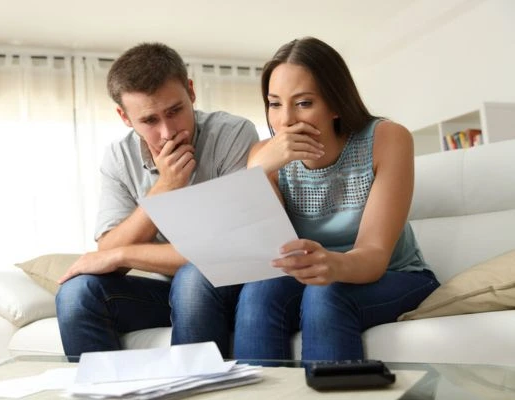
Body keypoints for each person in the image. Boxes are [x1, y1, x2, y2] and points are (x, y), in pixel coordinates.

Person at [170, 37, 440, 361]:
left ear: (336, 103)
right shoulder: (263, 157)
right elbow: (263, 252)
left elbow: (375, 256)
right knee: (259, 292)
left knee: (325, 294)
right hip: (308, 277)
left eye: (304, 103)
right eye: (274, 103)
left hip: (391, 275)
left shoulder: (387, 139)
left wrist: (333, 264)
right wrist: (257, 172)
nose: (285, 121)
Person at [55, 42, 259, 356]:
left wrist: (123, 255)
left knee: (193, 278)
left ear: (191, 91)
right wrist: (165, 186)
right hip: (169, 291)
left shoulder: (232, 135)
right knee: (76, 294)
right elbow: (107, 252)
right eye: (149, 121)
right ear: (124, 117)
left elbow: (224, 251)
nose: (167, 132)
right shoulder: (119, 158)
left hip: (231, 287)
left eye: (175, 111)